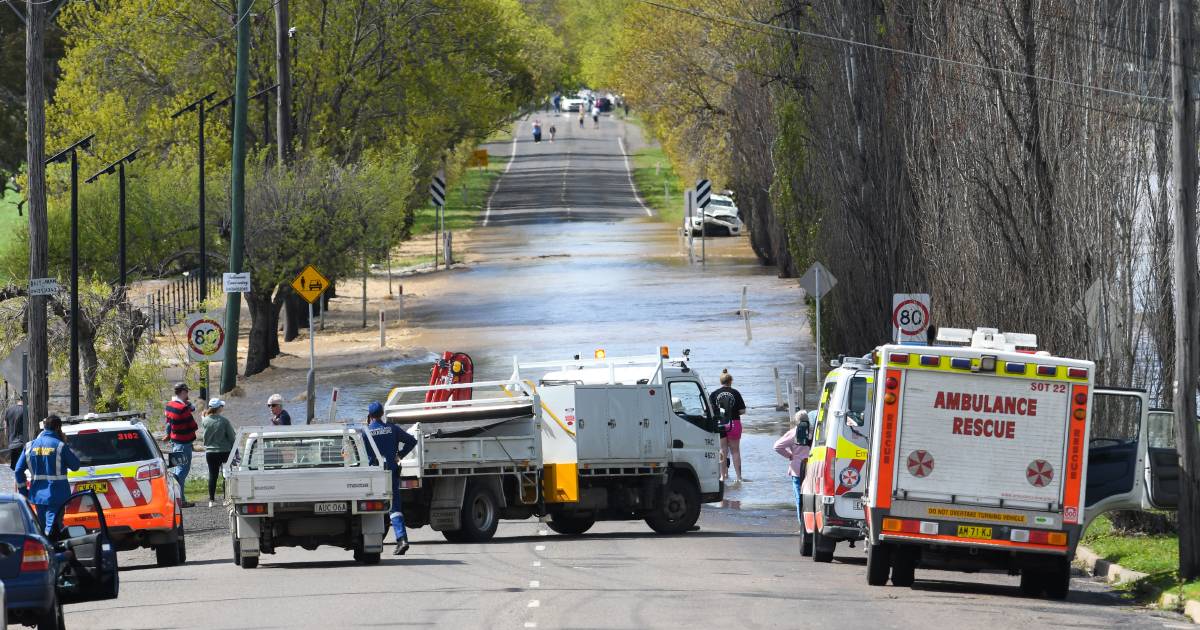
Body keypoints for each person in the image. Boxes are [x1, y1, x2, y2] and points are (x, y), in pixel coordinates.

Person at [365, 401, 417, 555]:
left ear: (370, 416)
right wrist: (399, 455)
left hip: (374, 475)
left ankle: (372, 540)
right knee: (394, 508)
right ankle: (402, 539)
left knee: (371, 507)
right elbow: (412, 441)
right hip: (391, 473)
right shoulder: (392, 429)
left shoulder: (366, 432)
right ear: (382, 414)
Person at [15, 415, 81, 535]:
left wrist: (24, 492)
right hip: (58, 495)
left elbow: (18, 470)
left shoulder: (29, 446)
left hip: (38, 495)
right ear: (57, 428)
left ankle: (45, 547)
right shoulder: (60, 446)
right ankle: (51, 549)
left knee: (42, 527)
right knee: (52, 529)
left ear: (44, 427)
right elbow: (75, 466)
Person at [774, 410, 811, 530]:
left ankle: (802, 526)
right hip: (813, 467)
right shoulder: (815, 432)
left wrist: (790, 456)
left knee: (799, 497)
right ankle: (811, 522)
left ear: (796, 421)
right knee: (812, 496)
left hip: (797, 468)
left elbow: (777, 446)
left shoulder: (793, 433)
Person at [710, 369, 747, 484]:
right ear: (731, 381)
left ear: (721, 381)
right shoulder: (736, 393)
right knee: (735, 451)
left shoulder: (714, 394)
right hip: (734, 423)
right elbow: (742, 410)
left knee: (722, 450)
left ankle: (722, 476)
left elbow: (711, 411)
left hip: (721, 423)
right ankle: (739, 477)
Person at [165, 382, 198, 507]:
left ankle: (176, 498)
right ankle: (180, 500)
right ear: (183, 392)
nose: (188, 394)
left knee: (177, 469)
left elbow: (168, 422)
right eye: (187, 392)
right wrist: (187, 409)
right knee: (182, 472)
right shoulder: (183, 409)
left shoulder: (169, 405)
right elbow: (194, 426)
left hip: (174, 442)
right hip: (184, 443)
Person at [200, 398, 236, 508]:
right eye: (222, 406)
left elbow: (204, 432)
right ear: (219, 408)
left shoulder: (205, 421)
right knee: (226, 475)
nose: (222, 408)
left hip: (210, 452)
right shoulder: (224, 421)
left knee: (212, 475)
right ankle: (226, 499)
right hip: (224, 451)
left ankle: (211, 500)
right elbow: (232, 437)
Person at [4, 399, 26, 470]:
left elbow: (5, 427)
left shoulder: (9, 410)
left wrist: (8, 439)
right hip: (23, 443)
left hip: (12, 443)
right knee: (22, 469)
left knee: (14, 467)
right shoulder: (26, 410)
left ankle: (16, 481)